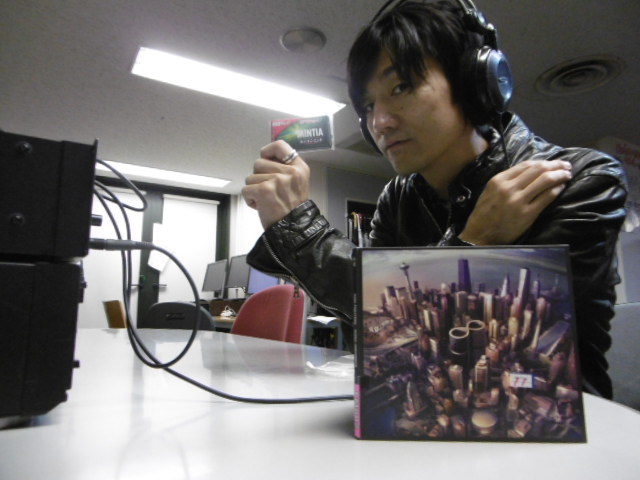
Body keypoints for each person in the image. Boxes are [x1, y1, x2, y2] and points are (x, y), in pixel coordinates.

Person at [241, 0, 627, 399]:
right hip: (427, 413)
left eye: (401, 87)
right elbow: (381, 334)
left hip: (550, 421)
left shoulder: (582, 181)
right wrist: (294, 224)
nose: (379, 122)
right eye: (369, 105)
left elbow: (509, 360)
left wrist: (471, 244)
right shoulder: (399, 198)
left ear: (474, 82)